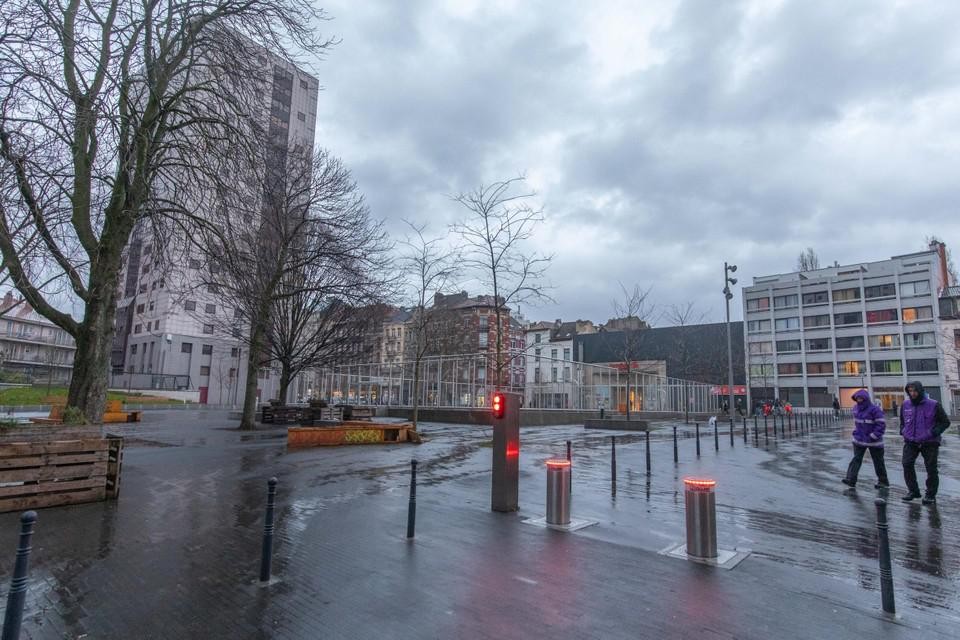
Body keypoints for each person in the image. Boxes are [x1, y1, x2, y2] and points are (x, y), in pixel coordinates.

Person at [900, 381, 951, 504]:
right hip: (911, 441)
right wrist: (903, 431)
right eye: (910, 391)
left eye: (915, 390)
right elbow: (902, 421)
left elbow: (945, 422)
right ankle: (913, 491)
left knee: (931, 469)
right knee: (907, 464)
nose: (912, 393)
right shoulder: (905, 404)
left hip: (929, 442)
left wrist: (933, 433)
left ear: (920, 390)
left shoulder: (934, 405)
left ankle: (930, 494)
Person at [841, 389, 889, 489]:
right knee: (856, 460)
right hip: (859, 440)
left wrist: (873, 436)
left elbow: (881, 425)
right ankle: (851, 479)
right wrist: (856, 433)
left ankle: (883, 482)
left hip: (874, 442)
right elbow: (858, 424)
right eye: (857, 398)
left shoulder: (875, 410)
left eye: (861, 398)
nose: (859, 400)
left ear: (865, 398)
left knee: (878, 462)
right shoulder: (855, 408)